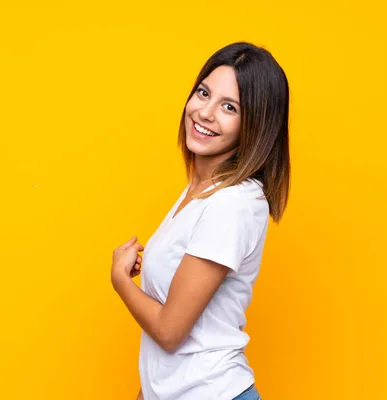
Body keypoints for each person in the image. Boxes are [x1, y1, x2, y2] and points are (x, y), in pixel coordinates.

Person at [110, 41, 290, 400]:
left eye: (229, 107)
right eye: (203, 93)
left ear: (255, 124)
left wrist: (120, 280)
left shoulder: (232, 204)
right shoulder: (200, 190)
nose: (205, 112)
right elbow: (172, 350)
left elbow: (169, 331)